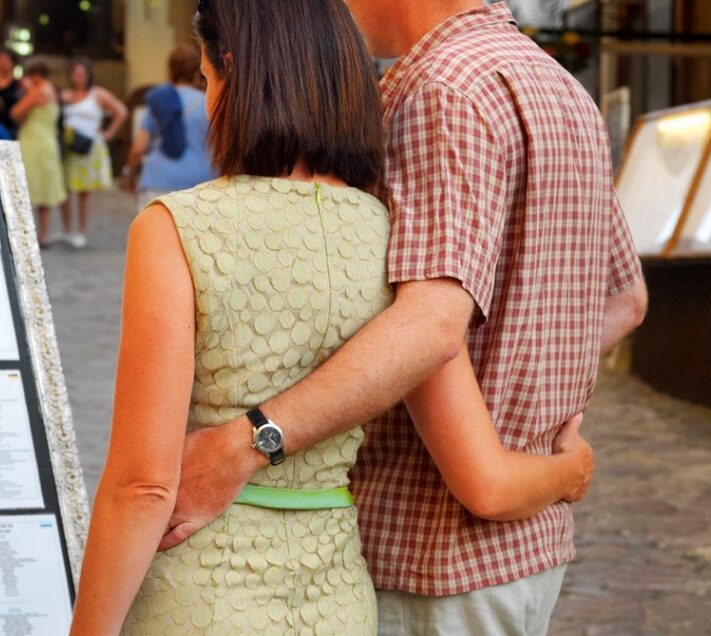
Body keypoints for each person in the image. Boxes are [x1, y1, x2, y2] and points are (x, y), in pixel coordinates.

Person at [68, 0, 594, 633]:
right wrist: (566, 465)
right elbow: (615, 299)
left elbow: (144, 489)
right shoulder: (395, 239)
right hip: (338, 594)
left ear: (234, 72)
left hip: (204, 588)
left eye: (207, 79)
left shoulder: (178, 228)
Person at [124, 46, 217, 211]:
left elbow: (138, 148)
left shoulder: (160, 100)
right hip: (201, 185)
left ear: (170, 70)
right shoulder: (210, 103)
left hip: (158, 180)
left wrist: (129, 175)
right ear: (197, 71)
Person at [58, 58, 128, 249]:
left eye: (82, 73)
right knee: (64, 189)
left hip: (88, 145)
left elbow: (120, 111)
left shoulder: (97, 94)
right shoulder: (67, 95)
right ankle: (66, 229)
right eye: (75, 73)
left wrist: (109, 133)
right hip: (70, 145)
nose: (78, 77)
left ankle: (81, 230)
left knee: (83, 191)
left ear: (88, 75)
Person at [11, 61, 67, 246]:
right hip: (47, 141)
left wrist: (27, 92)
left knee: (29, 186)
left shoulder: (38, 92)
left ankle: (27, 233)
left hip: (33, 143)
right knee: (44, 189)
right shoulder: (51, 89)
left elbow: (16, 113)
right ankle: (44, 234)